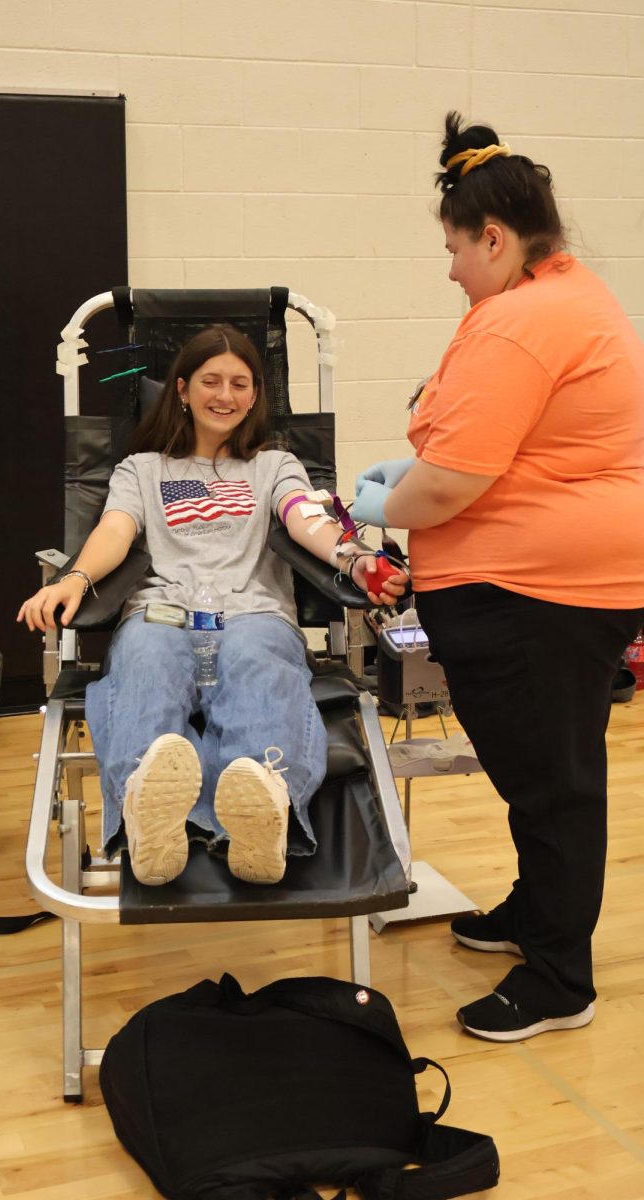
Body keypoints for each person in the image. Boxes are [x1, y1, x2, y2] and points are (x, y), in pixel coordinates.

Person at [352, 111, 644, 1042]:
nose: (448, 270)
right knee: (538, 773)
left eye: (452, 249)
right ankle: (537, 914)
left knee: (555, 781)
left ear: (493, 235)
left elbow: (447, 487)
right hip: (552, 586)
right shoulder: (567, 295)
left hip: (542, 596)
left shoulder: (521, 320)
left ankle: (562, 980)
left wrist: (372, 506)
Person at [19, 324, 403, 887]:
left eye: (241, 383)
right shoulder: (142, 469)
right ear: (181, 388)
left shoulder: (275, 465)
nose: (226, 396)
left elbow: (306, 518)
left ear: (255, 395)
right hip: (164, 613)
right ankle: (150, 818)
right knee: (146, 661)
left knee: (259, 664)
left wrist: (353, 559)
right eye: (212, 381)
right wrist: (75, 578)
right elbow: (115, 530)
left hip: (252, 613)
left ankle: (262, 811)